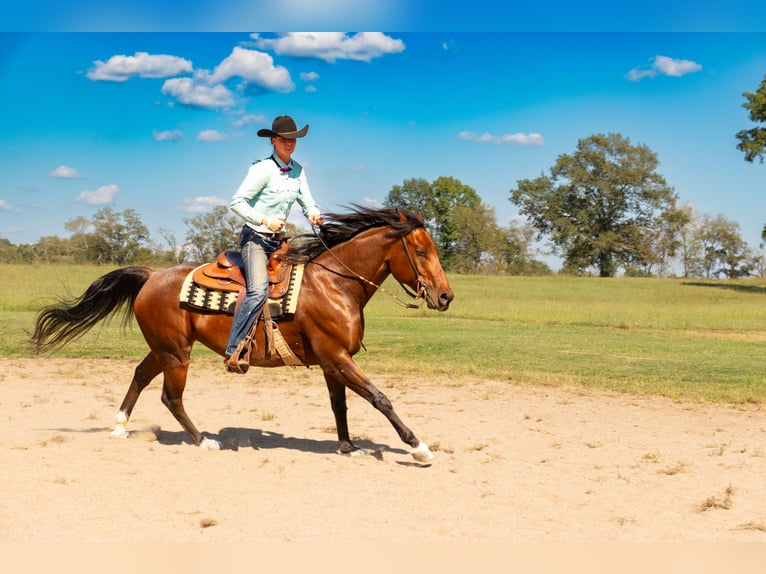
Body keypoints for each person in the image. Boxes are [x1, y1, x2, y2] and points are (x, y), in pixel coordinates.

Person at [224, 115, 323, 373]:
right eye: (283, 139)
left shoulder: (298, 171)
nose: (289, 143)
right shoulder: (262, 170)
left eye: (293, 139)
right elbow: (237, 202)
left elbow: (307, 201)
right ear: (273, 140)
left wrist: (313, 212)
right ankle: (234, 349)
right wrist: (265, 219)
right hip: (255, 240)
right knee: (257, 290)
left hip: (278, 244)